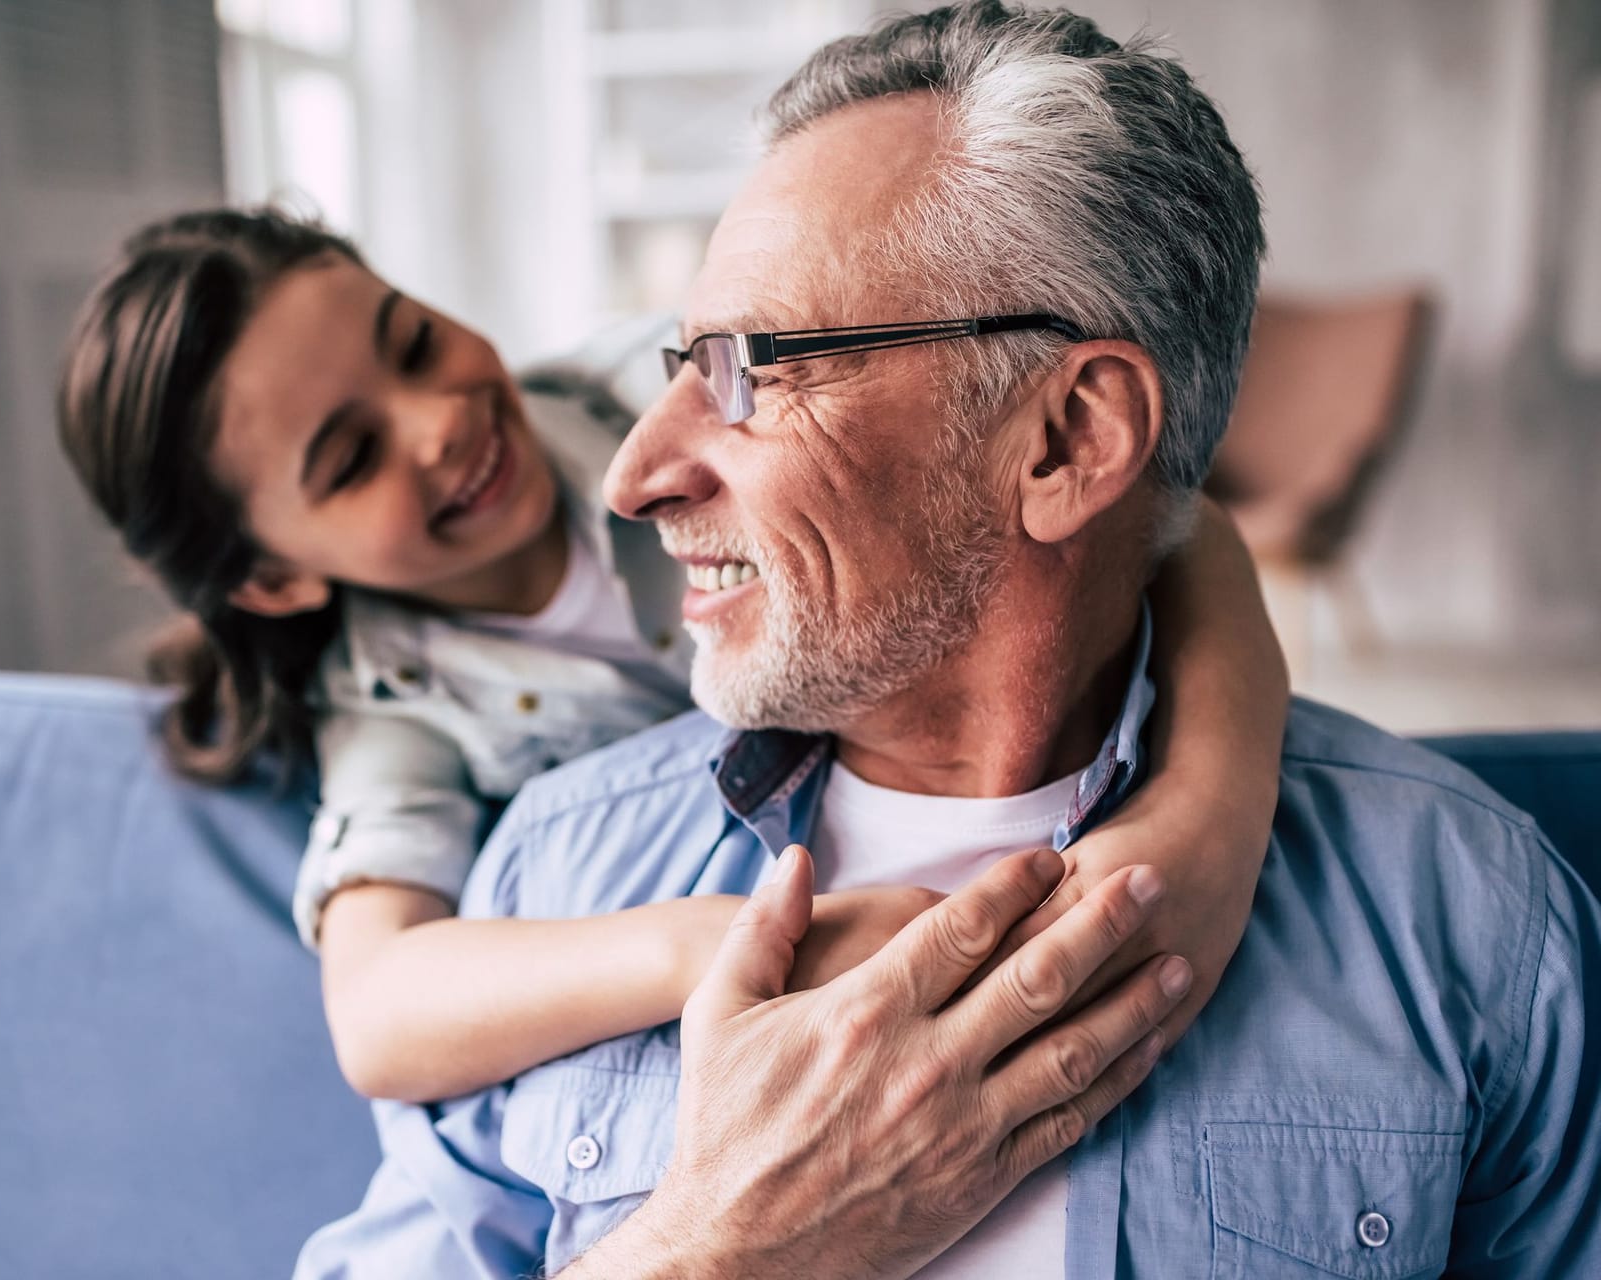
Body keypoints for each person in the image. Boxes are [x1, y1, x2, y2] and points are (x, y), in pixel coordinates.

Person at [292, 4, 1601, 1278]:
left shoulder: (1462, 916)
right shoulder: (556, 878)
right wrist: (719, 1249)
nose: (632, 479)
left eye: (752, 367)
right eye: (679, 363)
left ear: (1069, 440)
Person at [56, 201, 1286, 1107]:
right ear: (276, 577)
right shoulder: (394, 710)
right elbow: (379, 1014)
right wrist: (721, 942)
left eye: (414, 340)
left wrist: (1208, 819)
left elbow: (1171, 519)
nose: (440, 422)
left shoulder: (670, 377)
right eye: (350, 459)